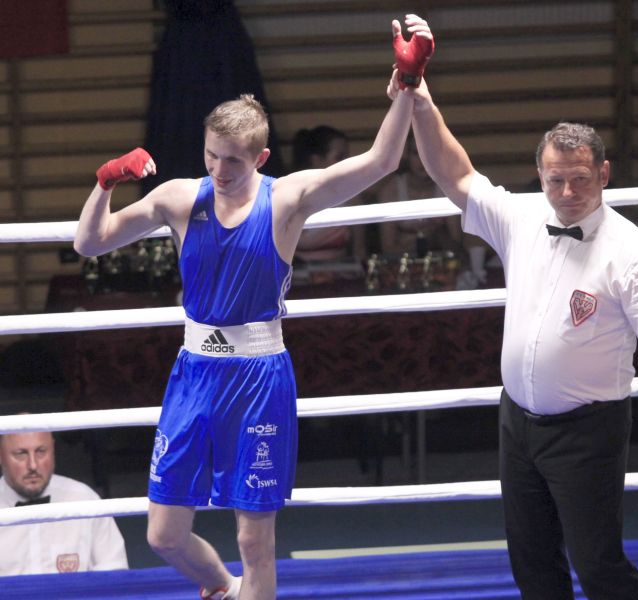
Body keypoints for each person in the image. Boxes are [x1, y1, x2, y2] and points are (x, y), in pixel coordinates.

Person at [73, 20, 427, 597]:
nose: (218, 170)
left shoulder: (287, 199)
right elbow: (89, 243)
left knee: (254, 542)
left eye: (232, 161)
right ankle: (222, 589)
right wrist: (106, 182)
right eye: (211, 156)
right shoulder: (179, 198)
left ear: (259, 157)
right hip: (193, 374)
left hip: (259, 376)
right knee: (163, 534)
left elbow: (381, 161)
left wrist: (409, 80)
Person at [395, 15, 638, 599]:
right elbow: (455, 173)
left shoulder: (632, 251)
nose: (568, 193)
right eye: (555, 180)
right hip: (516, 422)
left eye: (579, 179)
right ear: (540, 175)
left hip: (588, 430)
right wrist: (418, 91)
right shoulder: (522, 217)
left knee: (598, 564)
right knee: (532, 563)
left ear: (603, 172)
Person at [0, 429, 128, 575]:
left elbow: (114, 571)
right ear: (1, 455)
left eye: (41, 451)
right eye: (21, 453)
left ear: (53, 450)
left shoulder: (84, 501)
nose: (33, 465)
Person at [290, 125, 367, 263]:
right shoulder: (290, 194)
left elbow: (359, 251)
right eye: (340, 157)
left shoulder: (352, 195)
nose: (347, 162)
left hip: (341, 277)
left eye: (347, 156)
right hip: (296, 279)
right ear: (316, 160)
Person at [377, 134, 461, 257]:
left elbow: (457, 247)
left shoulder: (449, 190)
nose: (423, 160)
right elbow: (387, 250)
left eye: (429, 153)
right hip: (401, 267)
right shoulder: (390, 191)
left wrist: (439, 234)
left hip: (442, 267)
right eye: (416, 153)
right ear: (407, 156)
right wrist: (425, 240)